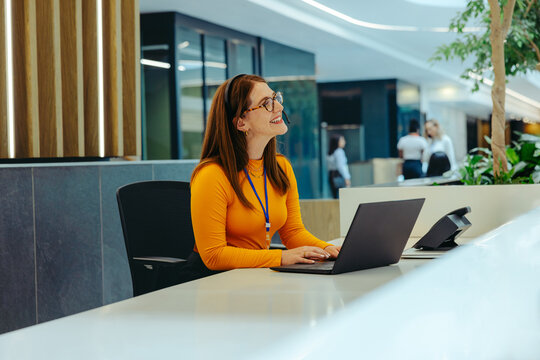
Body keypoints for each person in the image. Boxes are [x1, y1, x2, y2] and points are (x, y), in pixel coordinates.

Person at [186, 74, 341, 281]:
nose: (278, 107)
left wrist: (330, 250)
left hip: (254, 276)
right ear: (241, 122)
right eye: (266, 103)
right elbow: (213, 256)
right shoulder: (212, 175)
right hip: (213, 282)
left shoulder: (281, 167)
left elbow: (293, 232)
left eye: (275, 98)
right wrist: (282, 257)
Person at [327, 134, 351, 199]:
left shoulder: (331, 152)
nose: (344, 142)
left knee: (335, 198)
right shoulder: (339, 152)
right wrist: (346, 177)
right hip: (339, 176)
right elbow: (341, 166)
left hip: (331, 176)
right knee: (343, 198)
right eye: (342, 140)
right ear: (337, 142)